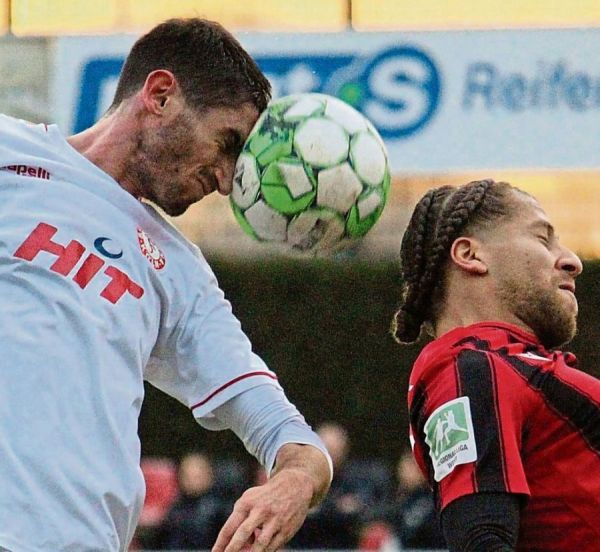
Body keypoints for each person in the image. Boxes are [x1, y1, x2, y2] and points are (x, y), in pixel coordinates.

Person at [0, 18, 332, 552]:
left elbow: (280, 424)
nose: (226, 181)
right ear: (159, 96)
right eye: (226, 144)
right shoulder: (9, 155)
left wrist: (296, 479)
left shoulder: (179, 272)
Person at [393, 178, 600, 550]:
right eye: (542, 238)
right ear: (470, 255)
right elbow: (481, 537)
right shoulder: (469, 368)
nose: (572, 260)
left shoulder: (507, 365)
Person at [289, 422, 392, 549]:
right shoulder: (301, 480)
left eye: (334, 449)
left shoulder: (359, 479)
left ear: (344, 449)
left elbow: (366, 511)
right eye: (326, 449)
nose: (331, 455)